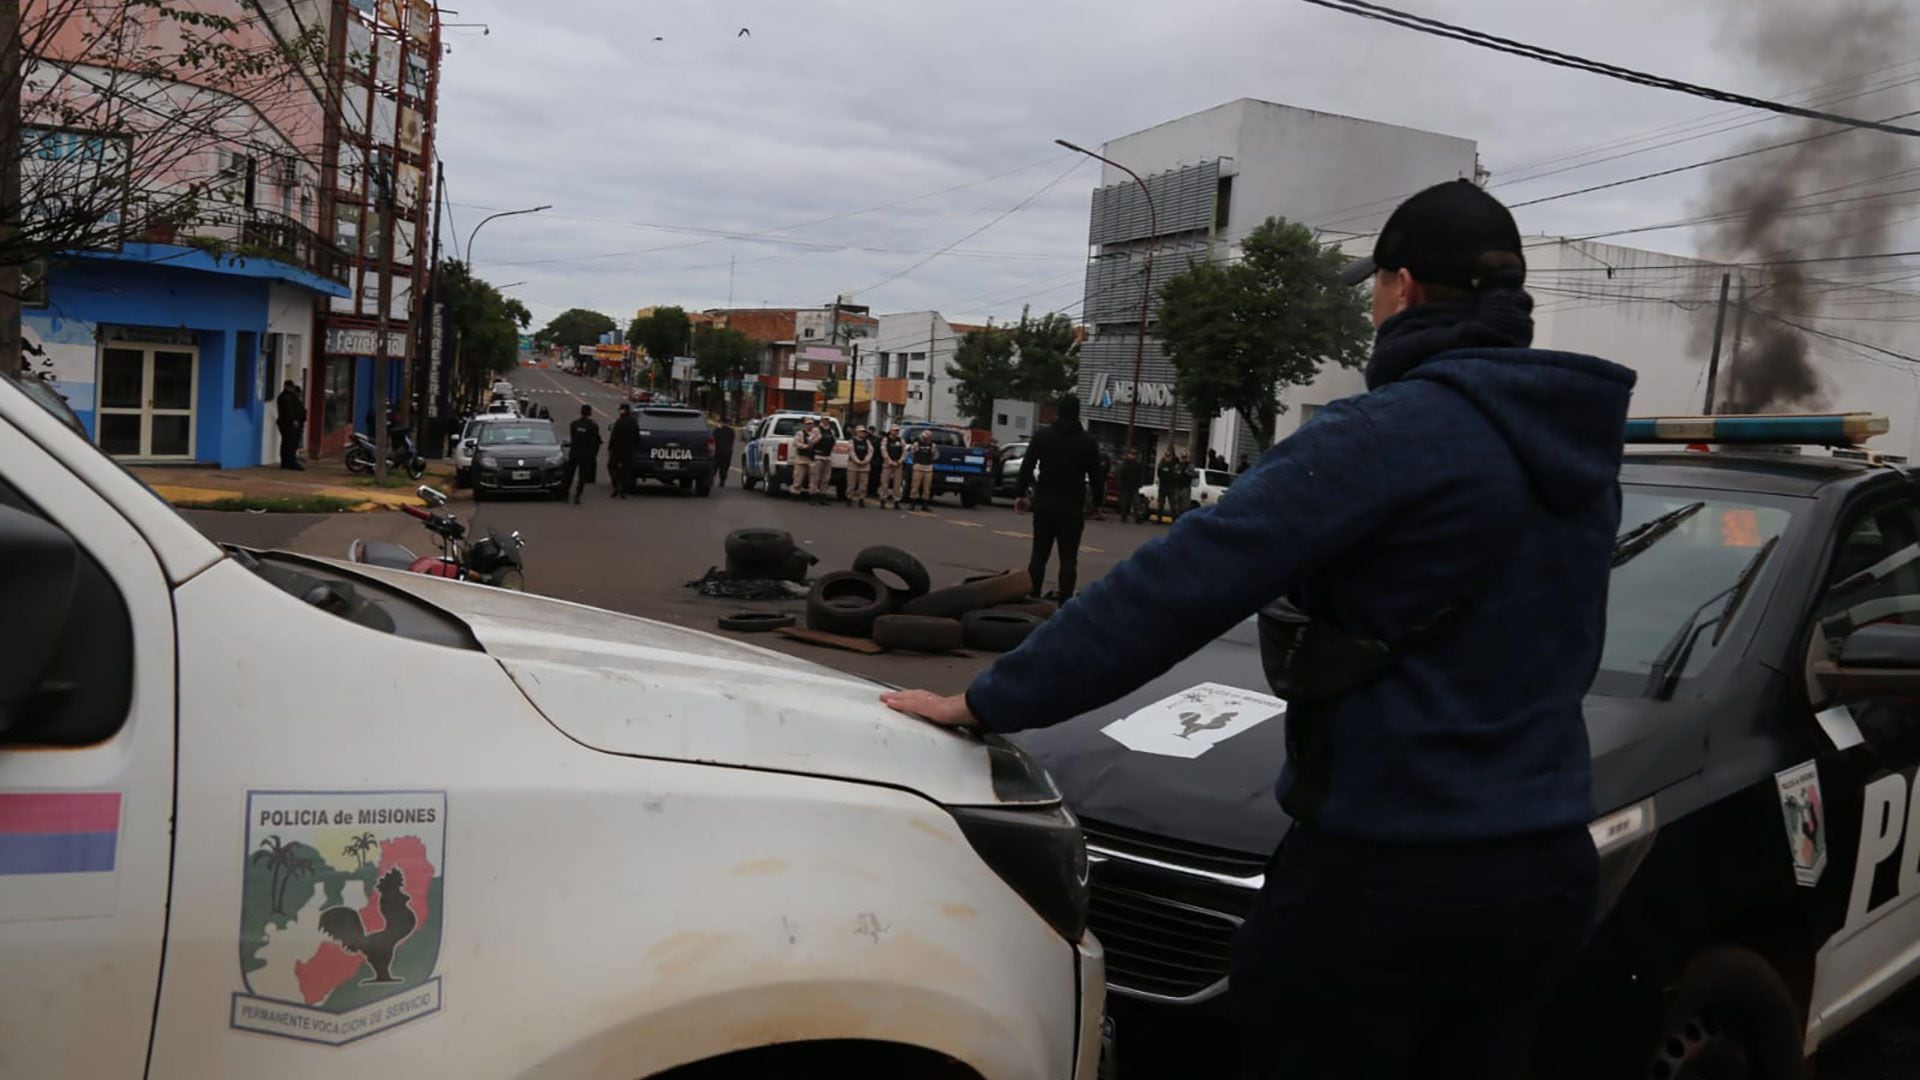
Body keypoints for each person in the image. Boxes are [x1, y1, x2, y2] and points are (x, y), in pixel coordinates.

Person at [879, 179, 1635, 1080]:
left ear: (1406, 288)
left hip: (1391, 876)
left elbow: (1177, 583)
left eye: (1375, 289)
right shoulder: (1576, 447)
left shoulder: (1389, 433)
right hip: (1544, 867)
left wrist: (989, 698)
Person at [1015, 395, 1102, 601]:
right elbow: (1097, 477)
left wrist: (1020, 493)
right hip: (1072, 506)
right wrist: (1096, 503)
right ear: (1078, 413)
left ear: (1058, 412)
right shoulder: (1087, 442)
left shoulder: (1043, 437)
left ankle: (1033, 597)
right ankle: (1064, 601)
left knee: (1038, 555)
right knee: (1069, 559)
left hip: (1044, 503)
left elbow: (1026, 467)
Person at [566, 404, 601, 504]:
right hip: (586, 454)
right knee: (582, 476)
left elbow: (573, 437)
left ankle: (565, 493)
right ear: (590, 413)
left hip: (574, 452)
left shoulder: (574, 424)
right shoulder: (593, 426)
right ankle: (577, 495)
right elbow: (595, 441)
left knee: (569, 474)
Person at [607, 403, 639, 498]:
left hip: (618, 450)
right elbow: (637, 437)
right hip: (629, 451)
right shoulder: (634, 422)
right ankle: (623, 489)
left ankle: (617, 485)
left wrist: (610, 447)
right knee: (626, 470)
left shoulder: (620, 422)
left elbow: (614, 436)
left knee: (612, 466)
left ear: (623, 410)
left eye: (620, 409)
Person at [274, 379, 305, 470]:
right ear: (287, 386)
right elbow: (288, 410)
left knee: (288, 443)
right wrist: (294, 420)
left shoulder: (289, 396)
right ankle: (290, 462)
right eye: (291, 387)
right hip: (288, 424)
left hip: (289, 423)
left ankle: (287, 462)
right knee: (289, 443)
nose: (292, 389)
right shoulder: (286, 397)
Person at [907, 428, 938, 511]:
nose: (925, 438)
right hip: (918, 467)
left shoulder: (932, 445)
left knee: (927, 488)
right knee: (915, 486)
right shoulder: (917, 444)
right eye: (924, 437)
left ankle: (925, 505)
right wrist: (916, 462)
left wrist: (930, 462)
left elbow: (935, 455)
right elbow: (912, 454)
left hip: (928, 468)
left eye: (927, 437)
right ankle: (912, 504)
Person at [808, 420, 838, 505]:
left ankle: (823, 497)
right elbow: (810, 442)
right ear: (821, 420)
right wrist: (819, 437)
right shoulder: (816, 430)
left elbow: (834, 443)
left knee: (826, 478)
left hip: (828, 457)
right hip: (818, 456)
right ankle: (813, 497)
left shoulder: (831, 431)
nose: (826, 421)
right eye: (824, 419)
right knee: (815, 477)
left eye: (827, 419)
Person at [846, 423, 875, 508]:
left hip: (864, 466)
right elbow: (851, 452)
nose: (863, 433)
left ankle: (861, 499)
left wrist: (865, 460)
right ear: (857, 432)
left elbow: (870, 452)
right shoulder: (851, 441)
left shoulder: (867, 442)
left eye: (864, 432)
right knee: (851, 483)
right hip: (853, 465)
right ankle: (849, 498)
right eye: (861, 432)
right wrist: (857, 460)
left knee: (863, 484)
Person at [879, 426, 907, 509]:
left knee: (897, 484)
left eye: (897, 430)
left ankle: (896, 501)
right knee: (884, 483)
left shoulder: (901, 440)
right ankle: (883, 500)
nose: (896, 432)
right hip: (888, 464)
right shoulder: (886, 440)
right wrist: (890, 461)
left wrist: (899, 461)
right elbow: (883, 451)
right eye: (895, 430)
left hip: (898, 464)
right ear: (891, 431)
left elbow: (904, 452)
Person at [1114, 447, 1144, 523]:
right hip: (1125, 486)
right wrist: (1119, 484)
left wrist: (1140, 483)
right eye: (1131, 454)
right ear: (1128, 455)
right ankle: (1124, 516)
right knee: (1125, 502)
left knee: (1136, 503)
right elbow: (1119, 474)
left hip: (1134, 486)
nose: (1133, 456)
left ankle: (1137, 518)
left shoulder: (1137, 465)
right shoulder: (1124, 464)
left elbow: (1140, 475)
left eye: (1134, 454)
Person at [792, 419, 818, 500]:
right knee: (798, 478)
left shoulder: (817, 434)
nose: (809, 425)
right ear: (804, 425)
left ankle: (813, 495)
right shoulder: (800, 433)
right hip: (801, 458)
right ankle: (794, 494)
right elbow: (795, 443)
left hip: (813, 459)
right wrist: (805, 446)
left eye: (811, 424)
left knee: (814, 479)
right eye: (808, 424)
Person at [1155, 448, 1178, 520]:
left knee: (1173, 504)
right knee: (1160, 504)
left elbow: (1175, 475)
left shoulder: (1174, 464)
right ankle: (1159, 519)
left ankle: (1174, 519)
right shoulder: (1162, 464)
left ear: (1171, 457)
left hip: (1171, 487)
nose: (1167, 458)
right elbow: (1159, 474)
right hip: (1163, 486)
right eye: (1166, 456)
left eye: (1169, 456)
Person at [713, 419, 736, 488]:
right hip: (727, 451)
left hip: (717, 451)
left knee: (714, 466)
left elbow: (713, 439)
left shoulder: (717, 430)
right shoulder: (731, 431)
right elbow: (732, 441)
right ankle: (722, 481)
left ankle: (711, 480)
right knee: (724, 467)